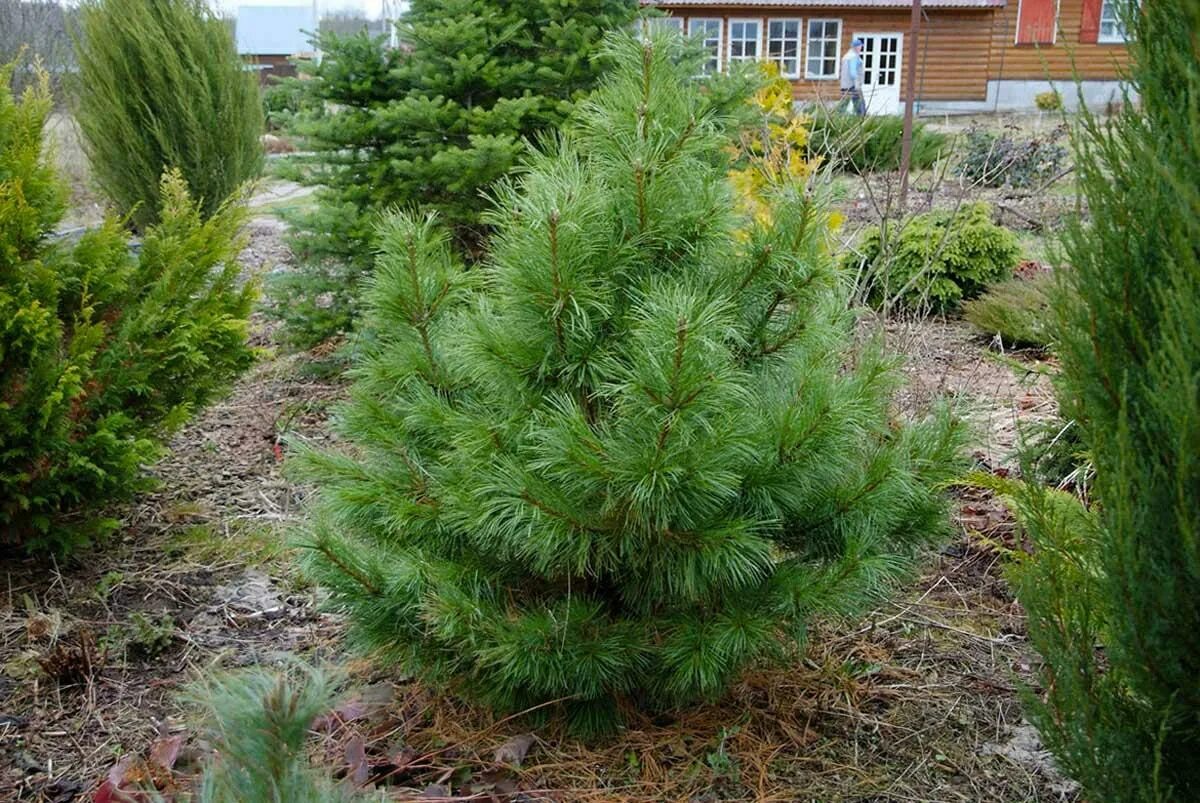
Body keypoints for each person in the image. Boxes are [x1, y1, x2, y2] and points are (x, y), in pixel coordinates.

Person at [840, 38, 866, 116]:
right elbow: (853, 72)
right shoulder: (853, 57)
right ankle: (862, 121)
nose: (861, 48)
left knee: (843, 104)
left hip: (845, 85)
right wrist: (857, 84)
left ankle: (837, 118)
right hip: (853, 85)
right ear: (856, 47)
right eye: (860, 46)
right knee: (860, 105)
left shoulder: (846, 56)